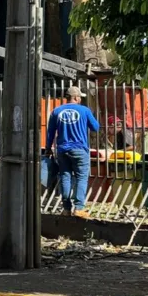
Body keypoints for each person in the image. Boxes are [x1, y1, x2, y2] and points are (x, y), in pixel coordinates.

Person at [46, 86, 100, 218]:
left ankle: (66, 209)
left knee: (65, 176)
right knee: (81, 177)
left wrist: (48, 148)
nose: (80, 99)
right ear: (76, 97)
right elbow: (96, 127)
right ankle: (79, 208)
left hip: (62, 150)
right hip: (79, 149)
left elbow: (50, 132)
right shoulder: (84, 110)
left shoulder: (56, 111)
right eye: (80, 97)